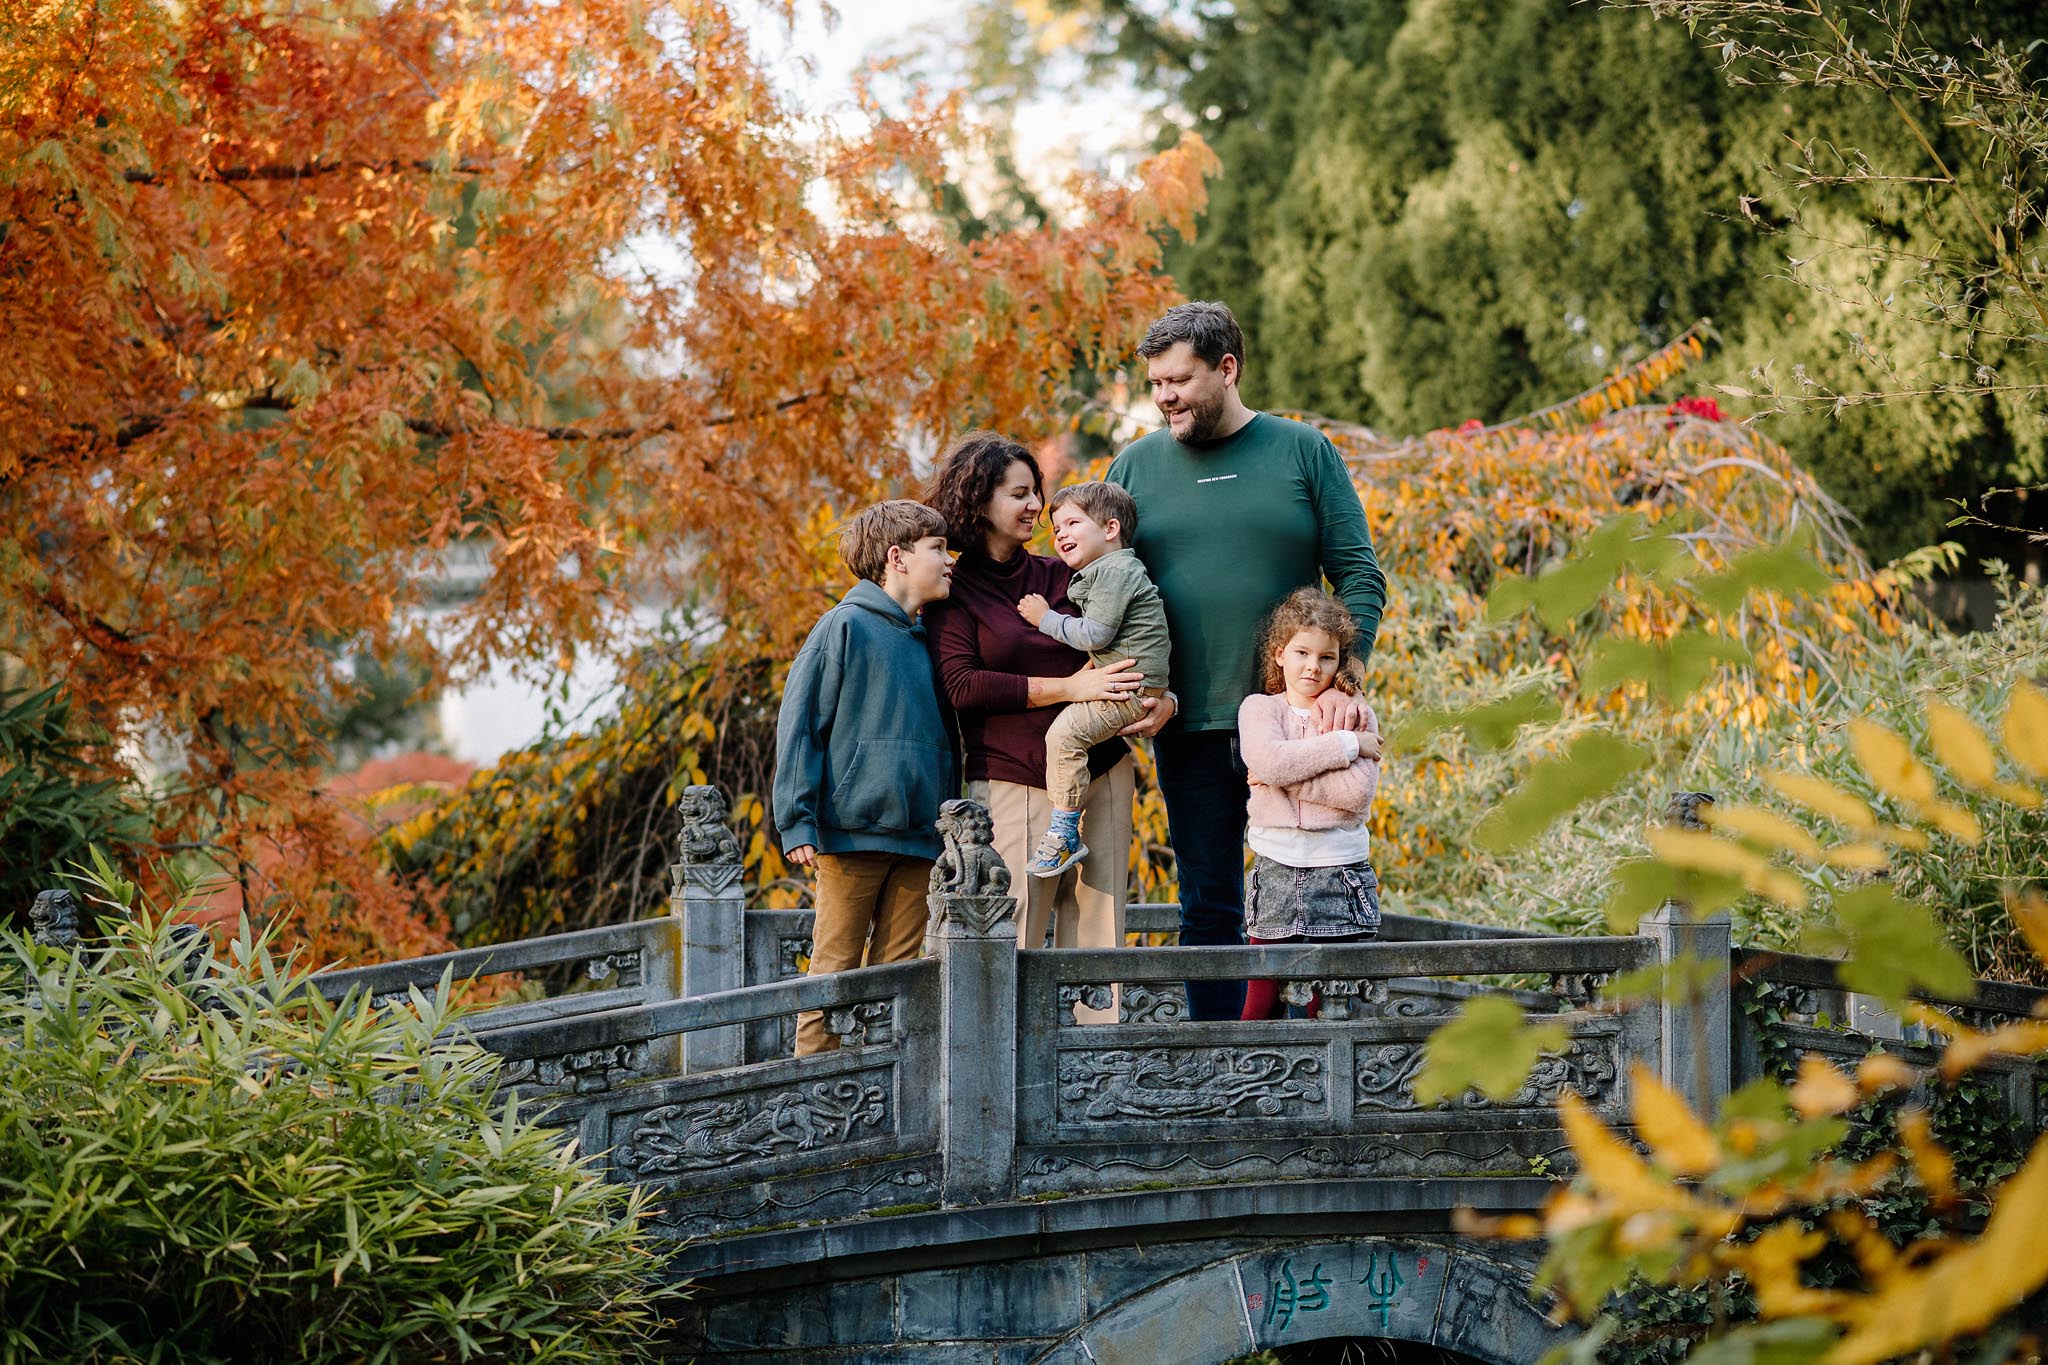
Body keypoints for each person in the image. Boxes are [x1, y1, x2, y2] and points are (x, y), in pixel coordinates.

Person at [1107, 301, 1387, 1020]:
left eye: (1180, 379)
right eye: (1156, 383)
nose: (1164, 395)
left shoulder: (1302, 451)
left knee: (1316, 890)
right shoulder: (1133, 467)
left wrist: (1343, 683)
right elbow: (1103, 591)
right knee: (1208, 902)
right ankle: (1218, 1068)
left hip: (1299, 727)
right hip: (1188, 721)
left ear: (1227, 368)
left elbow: (1359, 573)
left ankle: (1311, 1067)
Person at [922, 434, 1171, 990]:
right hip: (1012, 778)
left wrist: (1166, 700)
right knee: (1012, 934)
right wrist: (1071, 688)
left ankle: (1102, 1068)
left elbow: (1136, 633)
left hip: (1101, 769)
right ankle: (998, 1071)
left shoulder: (1066, 574)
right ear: (979, 500)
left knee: (1101, 937)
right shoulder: (954, 588)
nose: (1036, 506)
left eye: (1037, 491)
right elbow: (963, 685)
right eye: (1020, 494)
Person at [772, 499, 955, 1056]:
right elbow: (801, 726)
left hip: (920, 838)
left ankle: (879, 1100)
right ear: (897, 557)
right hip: (850, 832)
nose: (951, 561)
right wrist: (797, 821)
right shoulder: (843, 626)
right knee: (834, 970)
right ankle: (811, 1092)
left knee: (897, 982)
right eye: (939, 549)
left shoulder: (930, 639)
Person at [1236, 589, 1383, 1020]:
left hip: (1340, 872)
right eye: (1301, 652)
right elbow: (1271, 762)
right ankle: (1248, 1081)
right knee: (1259, 1002)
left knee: (1331, 1004)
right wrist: (1346, 746)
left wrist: (1280, 777)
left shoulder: (1359, 714)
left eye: (1327, 657)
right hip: (1276, 868)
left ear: (1341, 663)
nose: (1313, 667)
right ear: (1280, 654)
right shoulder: (1259, 710)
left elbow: (1355, 796)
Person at [1015, 481, 1171, 878]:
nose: (1060, 534)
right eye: (1056, 528)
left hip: (1129, 688)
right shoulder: (1108, 570)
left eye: (1072, 523)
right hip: (1132, 683)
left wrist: (1044, 618)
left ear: (1111, 529)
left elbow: (1095, 634)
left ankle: (1065, 831)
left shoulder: (1115, 571)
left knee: (1064, 736)